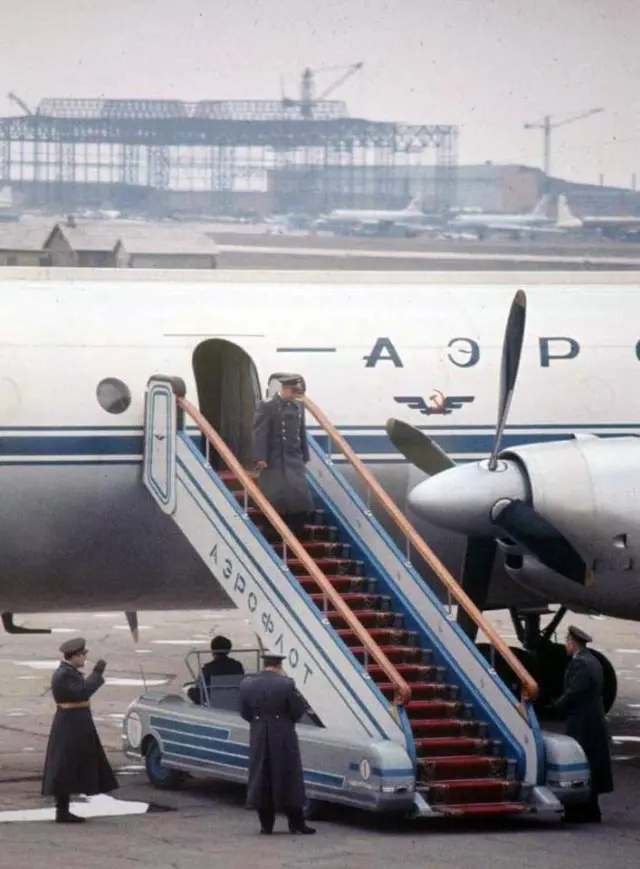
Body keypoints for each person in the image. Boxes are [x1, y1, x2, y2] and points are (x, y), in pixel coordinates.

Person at [41, 637, 118, 823]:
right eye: (83, 654)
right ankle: (62, 811)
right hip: (69, 726)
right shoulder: (63, 674)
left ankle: (64, 810)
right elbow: (81, 692)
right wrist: (97, 674)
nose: (84, 657)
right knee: (63, 766)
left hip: (75, 724)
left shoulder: (69, 672)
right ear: (74, 656)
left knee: (72, 765)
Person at [239, 652, 316, 835]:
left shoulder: (247, 683)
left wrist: (259, 722)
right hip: (283, 734)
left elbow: (244, 712)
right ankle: (296, 823)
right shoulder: (286, 684)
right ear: (279, 666)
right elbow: (297, 710)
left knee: (261, 776)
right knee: (289, 776)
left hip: (258, 733)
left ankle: (266, 825)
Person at [551, 625, 613, 823]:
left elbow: (574, 692)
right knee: (592, 763)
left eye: (567, 642)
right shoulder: (593, 660)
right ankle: (591, 810)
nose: (566, 646)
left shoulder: (581, 664)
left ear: (573, 642)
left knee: (579, 761)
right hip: (593, 720)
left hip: (583, 722)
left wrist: (555, 707)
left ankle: (577, 811)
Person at [252, 374, 314, 537]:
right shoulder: (267, 406)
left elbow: (301, 431)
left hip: (293, 457)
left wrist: (304, 454)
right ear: (285, 389)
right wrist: (260, 457)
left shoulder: (297, 406)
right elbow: (260, 432)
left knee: (299, 495)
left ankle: (296, 528)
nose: (295, 395)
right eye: (293, 391)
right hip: (275, 458)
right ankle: (272, 529)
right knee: (274, 495)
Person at [188, 635, 245, 705]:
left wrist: (189, 691)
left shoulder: (207, 669)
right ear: (228, 650)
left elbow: (198, 696)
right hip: (235, 704)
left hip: (214, 706)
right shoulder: (237, 666)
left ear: (212, 650)